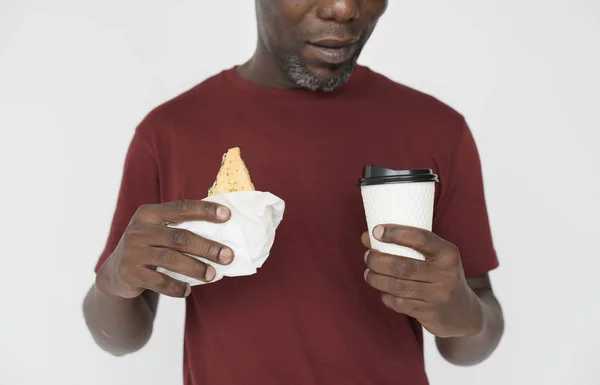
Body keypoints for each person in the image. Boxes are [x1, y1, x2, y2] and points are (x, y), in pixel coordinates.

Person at [83, 1, 504, 384]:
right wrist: (114, 277)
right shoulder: (170, 132)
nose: (342, 8)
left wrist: (462, 311)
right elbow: (121, 338)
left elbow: (472, 337)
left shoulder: (437, 129)